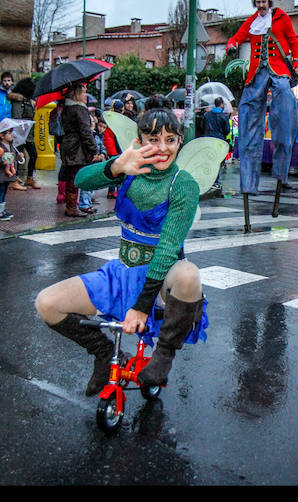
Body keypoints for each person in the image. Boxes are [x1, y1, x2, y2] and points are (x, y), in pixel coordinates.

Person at [35, 107, 209, 395]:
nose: (162, 148)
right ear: (139, 140)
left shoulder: (184, 185)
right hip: (122, 273)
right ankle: (104, 355)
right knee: (47, 303)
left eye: (170, 139)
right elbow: (80, 181)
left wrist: (141, 307)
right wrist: (115, 167)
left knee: (189, 274)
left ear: (180, 141)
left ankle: (163, 354)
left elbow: (167, 250)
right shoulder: (131, 168)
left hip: (163, 281)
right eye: (153, 138)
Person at [225, 0, 298, 227]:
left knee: (285, 99)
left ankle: (281, 168)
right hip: (257, 73)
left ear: (270, 3)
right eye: (257, 3)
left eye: (263, 3)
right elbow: (238, 36)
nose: (260, 6)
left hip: (278, 72)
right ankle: (249, 184)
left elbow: (292, 41)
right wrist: (231, 44)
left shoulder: (282, 18)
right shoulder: (251, 22)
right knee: (248, 112)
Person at [59, 82, 102, 217]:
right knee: (75, 177)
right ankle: (71, 207)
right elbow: (85, 132)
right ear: (77, 94)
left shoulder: (66, 108)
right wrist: (93, 149)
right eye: (83, 92)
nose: (86, 95)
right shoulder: (79, 109)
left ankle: (70, 205)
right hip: (78, 147)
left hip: (68, 144)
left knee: (71, 175)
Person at [9, 78, 41, 189]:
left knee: (33, 155)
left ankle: (29, 178)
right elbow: (17, 116)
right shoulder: (18, 100)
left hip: (28, 133)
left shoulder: (28, 100)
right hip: (20, 132)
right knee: (18, 156)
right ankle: (14, 179)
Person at [0, 127, 24, 221]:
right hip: (0, 174)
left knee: (4, 191)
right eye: (9, 133)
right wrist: (2, 161)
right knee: (0, 191)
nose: (11, 135)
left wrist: (19, 158)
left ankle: (2, 210)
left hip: (7, 174)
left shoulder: (12, 146)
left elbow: (14, 159)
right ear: (2, 136)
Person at [78, 113, 108, 214]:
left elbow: (102, 146)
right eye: (100, 126)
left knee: (92, 184)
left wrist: (103, 154)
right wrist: (95, 155)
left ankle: (88, 202)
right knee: (88, 184)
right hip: (91, 161)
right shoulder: (92, 135)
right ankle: (84, 204)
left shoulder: (99, 136)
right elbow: (90, 147)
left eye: (104, 127)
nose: (101, 129)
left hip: (97, 161)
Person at [204, 96, 230, 190]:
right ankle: (215, 181)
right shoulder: (224, 116)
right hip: (219, 141)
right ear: (222, 104)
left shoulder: (206, 115)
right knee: (217, 161)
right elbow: (227, 131)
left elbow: (203, 126)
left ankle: (207, 180)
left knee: (208, 160)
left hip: (207, 139)